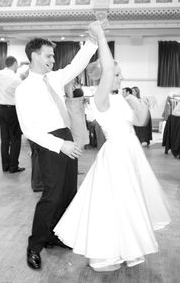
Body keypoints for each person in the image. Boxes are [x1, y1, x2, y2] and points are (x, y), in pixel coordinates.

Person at [54, 21, 170, 272]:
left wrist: (137, 102)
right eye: (118, 74)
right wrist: (101, 35)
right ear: (106, 76)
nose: (121, 76)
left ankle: (122, 247)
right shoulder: (99, 98)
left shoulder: (120, 98)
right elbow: (107, 69)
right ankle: (105, 252)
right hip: (116, 155)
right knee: (113, 203)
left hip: (131, 154)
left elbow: (140, 121)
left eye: (120, 74)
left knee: (126, 203)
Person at [15, 26, 98, 270]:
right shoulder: (24, 89)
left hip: (66, 137)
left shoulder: (53, 78)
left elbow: (76, 65)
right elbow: (29, 129)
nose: (53, 59)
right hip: (49, 142)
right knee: (51, 196)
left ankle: (56, 236)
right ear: (34, 56)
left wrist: (92, 42)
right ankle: (35, 245)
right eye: (48, 55)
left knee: (68, 192)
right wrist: (60, 144)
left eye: (53, 55)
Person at [0, 56, 25, 173]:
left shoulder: (0, 73)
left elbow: (13, 77)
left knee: (4, 139)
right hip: (12, 111)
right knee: (15, 139)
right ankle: (13, 166)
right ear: (14, 63)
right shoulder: (16, 78)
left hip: (2, 110)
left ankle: (5, 166)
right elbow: (21, 84)